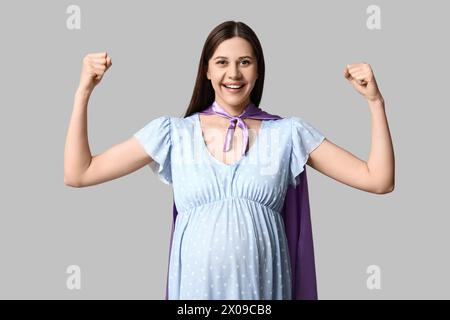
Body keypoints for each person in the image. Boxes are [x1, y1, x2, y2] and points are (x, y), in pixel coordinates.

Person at [64, 20, 395, 300]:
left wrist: (375, 101)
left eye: (245, 62)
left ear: (258, 70)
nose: (233, 73)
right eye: (222, 62)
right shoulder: (172, 133)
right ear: (206, 69)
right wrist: (83, 92)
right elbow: (79, 172)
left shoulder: (288, 133)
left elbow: (378, 179)